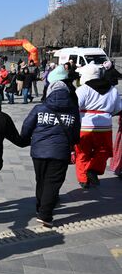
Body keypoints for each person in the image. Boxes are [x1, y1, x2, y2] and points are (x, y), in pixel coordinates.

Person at [21, 79, 80, 227]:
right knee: (53, 182)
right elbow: (75, 135)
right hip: (60, 152)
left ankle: (40, 208)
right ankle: (45, 214)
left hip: (39, 151)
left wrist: (26, 140)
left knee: (41, 180)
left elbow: (26, 128)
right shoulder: (73, 111)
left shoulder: (39, 108)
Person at [74, 64, 122, 188]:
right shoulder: (113, 90)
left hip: (84, 125)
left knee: (82, 152)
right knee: (104, 150)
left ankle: (83, 179)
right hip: (105, 125)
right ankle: (94, 169)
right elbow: (118, 108)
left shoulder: (83, 89)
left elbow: (75, 105)